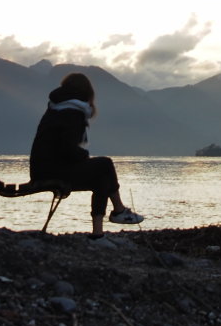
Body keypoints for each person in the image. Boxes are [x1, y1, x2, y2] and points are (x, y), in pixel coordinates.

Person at [29, 72, 144, 237]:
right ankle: (118, 211)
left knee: (101, 176)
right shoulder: (71, 113)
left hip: (44, 169)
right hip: (50, 171)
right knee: (105, 164)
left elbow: (62, 148)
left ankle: (98, 234)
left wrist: (83, 159)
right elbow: (67, 148)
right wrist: (84, 157)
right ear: (87, 93)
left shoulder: (58, 109)